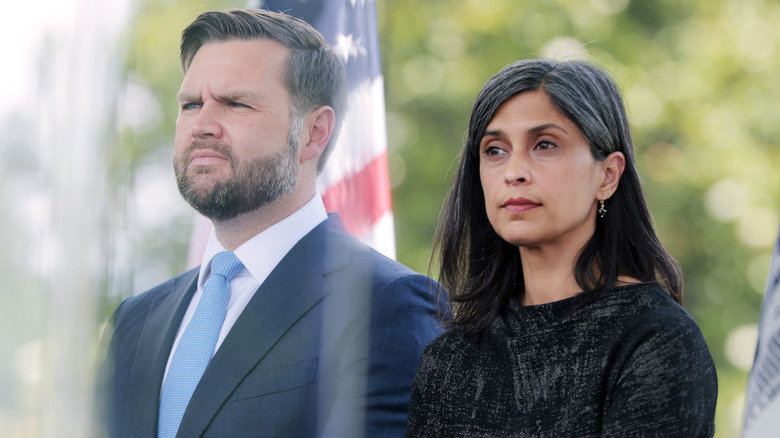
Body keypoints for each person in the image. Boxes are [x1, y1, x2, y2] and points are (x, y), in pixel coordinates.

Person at [96, 8, 443, 438]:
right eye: (191, 104)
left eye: (235, 103)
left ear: (315, 132)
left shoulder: (387, 304)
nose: (202, 125)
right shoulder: (134, 321)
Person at [406, 59, 717, 437]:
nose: (514, 171)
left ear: (608, 175)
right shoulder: (450, 358)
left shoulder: (655, 339)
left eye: (545, 144)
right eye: (495, 150)